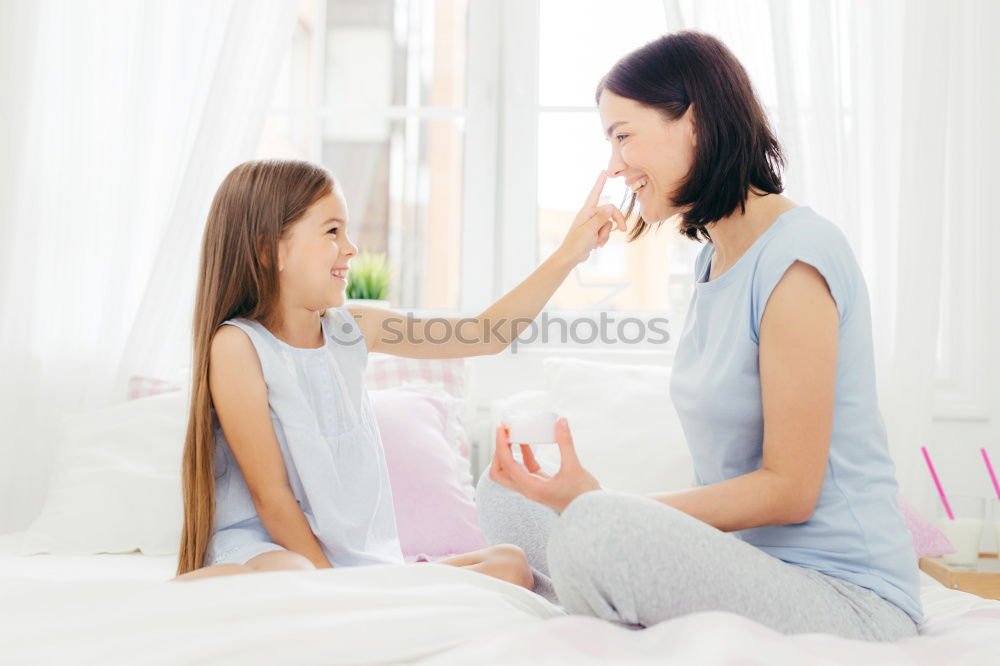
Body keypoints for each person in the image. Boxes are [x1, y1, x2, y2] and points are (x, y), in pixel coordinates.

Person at [475, 30, 923, 641]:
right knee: (509, 496)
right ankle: (585, 578)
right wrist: (593, 506)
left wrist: (604, 510)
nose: (613, 166)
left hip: (842, 595)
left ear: (696, 122)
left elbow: (791, 491)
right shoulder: (711, 261)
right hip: (746, 568)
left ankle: (588, 577)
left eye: (623, 135)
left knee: (593, 529)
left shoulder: (796, 258)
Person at [172, 158, 625, 584]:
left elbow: (486, 334)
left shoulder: (356, 329)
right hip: (270, 550)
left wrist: (570, 253)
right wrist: (336, 582)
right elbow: (272, 500)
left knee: (509, 563)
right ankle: (227, 589)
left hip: (356, 562)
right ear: (269, 251)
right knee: (293, 573)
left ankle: (359, 596)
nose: (350, 249)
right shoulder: (238, 346)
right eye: (332, 231)